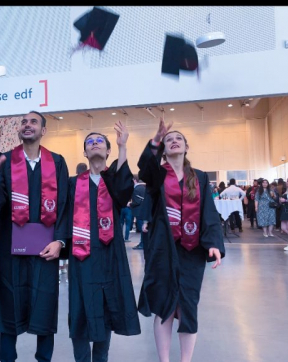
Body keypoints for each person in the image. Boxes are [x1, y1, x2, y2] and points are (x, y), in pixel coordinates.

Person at [0, 110, 70, 362]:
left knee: (44, 304)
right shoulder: (4, 160)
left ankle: (44, 358)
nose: (27, 125)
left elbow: (64, 204)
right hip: (12, 248)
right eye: (23, 122)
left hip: (46, 249)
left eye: (33, 121)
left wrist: (60, 241)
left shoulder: (57, 162)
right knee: (9, 303)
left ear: (43, 130)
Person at [137, 119, 224, 362]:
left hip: (192, 250)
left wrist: (214, 243)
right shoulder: (157, 175)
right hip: (162, 248)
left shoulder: (201, 177)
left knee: (187, 305)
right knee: (164, 305)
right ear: (163, 149)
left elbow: (209, 211)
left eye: (179, 139)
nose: (174, 141)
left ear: (187, 147)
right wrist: (155, 139)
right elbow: (144, 167)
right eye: (169, 139)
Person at [66, 124, 141, 362]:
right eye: (90, 142)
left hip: (111, 255)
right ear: (85, 153)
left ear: (108, 151)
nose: (95, 143)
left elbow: (124, 189)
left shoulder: (113, 183)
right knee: (79, 310)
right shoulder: (72, 184)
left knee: (106, 308)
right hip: (81, 255)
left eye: (100, 141)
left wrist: (123, 147)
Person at [131, 175, 147, 250]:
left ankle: (142, 244)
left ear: (134, 180)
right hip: (143, 211)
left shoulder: (136, 189)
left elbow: (137, 201)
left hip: (139, 212)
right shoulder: (143, 188)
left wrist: (130, 204)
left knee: (142, 229)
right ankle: (143, 243)